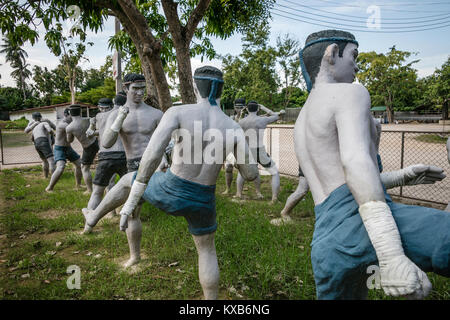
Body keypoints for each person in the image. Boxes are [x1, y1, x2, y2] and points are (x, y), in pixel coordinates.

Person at [295, 29, 449, 299]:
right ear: (332, 53)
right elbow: (355, 163)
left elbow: (339, 183)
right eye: (353, 56)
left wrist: (402, 176)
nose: (356, 65)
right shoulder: (350, 94)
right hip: (361, 226)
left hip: (325, 244)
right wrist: (391, 257)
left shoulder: (301, 119)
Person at [83, 66, 258, 299]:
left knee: (127, 180)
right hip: (204, 197)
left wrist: (136, 192)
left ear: (196, 87)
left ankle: (93, 217)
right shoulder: (232, 126)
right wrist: (232, 154)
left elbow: (152, 155)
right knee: (206, 250)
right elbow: (251, 174)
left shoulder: (178, 113)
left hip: (173, 188)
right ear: (221, 91)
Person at [234, 101, 285, 203]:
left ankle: (239, 194)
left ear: (247, 109)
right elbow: (278, 116)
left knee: (241, 173)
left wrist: (242, 112)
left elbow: (236, 123)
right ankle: (274, 198)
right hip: (259, 150)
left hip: (247, 151)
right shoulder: (262, 120)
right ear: (258, 109)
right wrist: (265, 108)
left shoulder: (241, 122)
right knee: (274, 173)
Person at [85, 96, 128, 211]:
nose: (102, 110)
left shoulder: (99, 116)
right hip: (124, 154)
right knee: (129, 188)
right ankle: (121, 212)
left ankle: (89, 222)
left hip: (106, 155)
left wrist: (91, 129)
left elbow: (98, 132)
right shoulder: (128, 114)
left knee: (98, 191)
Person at [45, 108, 82, 192]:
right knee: (61, 167)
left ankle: (78, 185)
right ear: (66, 115)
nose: (73, 117)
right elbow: (75, 131)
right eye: (71, 115)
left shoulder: (70, 123)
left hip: (68, 148)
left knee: (79, 165)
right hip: (59, 149)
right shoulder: (63, 124)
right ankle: (49, 188)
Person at [66, 105, 99, 194]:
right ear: (80, 112)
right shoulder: (87, 119)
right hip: (96, 142)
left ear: (70, 113)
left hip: (88, 147)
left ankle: (89, 190)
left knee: (84, 168)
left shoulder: (69, 127)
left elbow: (70, 140)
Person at [222, 98, 246, 195]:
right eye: (237, 107)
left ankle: (240, 192)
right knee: (228, 168)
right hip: (232, 147)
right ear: (234, 107)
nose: (239, 109)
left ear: (245, 107)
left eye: (241, 107)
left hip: (244, 148)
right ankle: (228, 189)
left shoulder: (248, 117)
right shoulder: (231, 118)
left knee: (244, 170)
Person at [24, 112, 56, 177]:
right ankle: (54, 177)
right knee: (51, 160)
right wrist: (55, 134)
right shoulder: (35, 123)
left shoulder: (45, 121)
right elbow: (50, 130)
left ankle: (45, 176)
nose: (37, 119)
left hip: (38, 143)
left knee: (45, 160)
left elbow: (54, 127)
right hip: (45, 142)